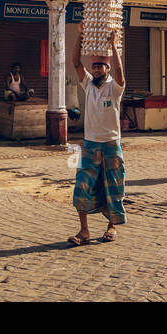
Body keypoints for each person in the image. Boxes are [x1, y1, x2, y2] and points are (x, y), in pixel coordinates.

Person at [68, 27, 127, 246]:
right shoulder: (88, 85)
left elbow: (121, 72)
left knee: (113, 187)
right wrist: (80, 35)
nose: (96, 69)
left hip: (111, 144)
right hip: (90, 145)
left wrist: (113, 44)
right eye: (94, 66)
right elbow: (75, 62)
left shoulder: (115, 88)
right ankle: (83, 231)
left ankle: (111, 227)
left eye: (100, 66)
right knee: (82, 185)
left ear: (107, 68)